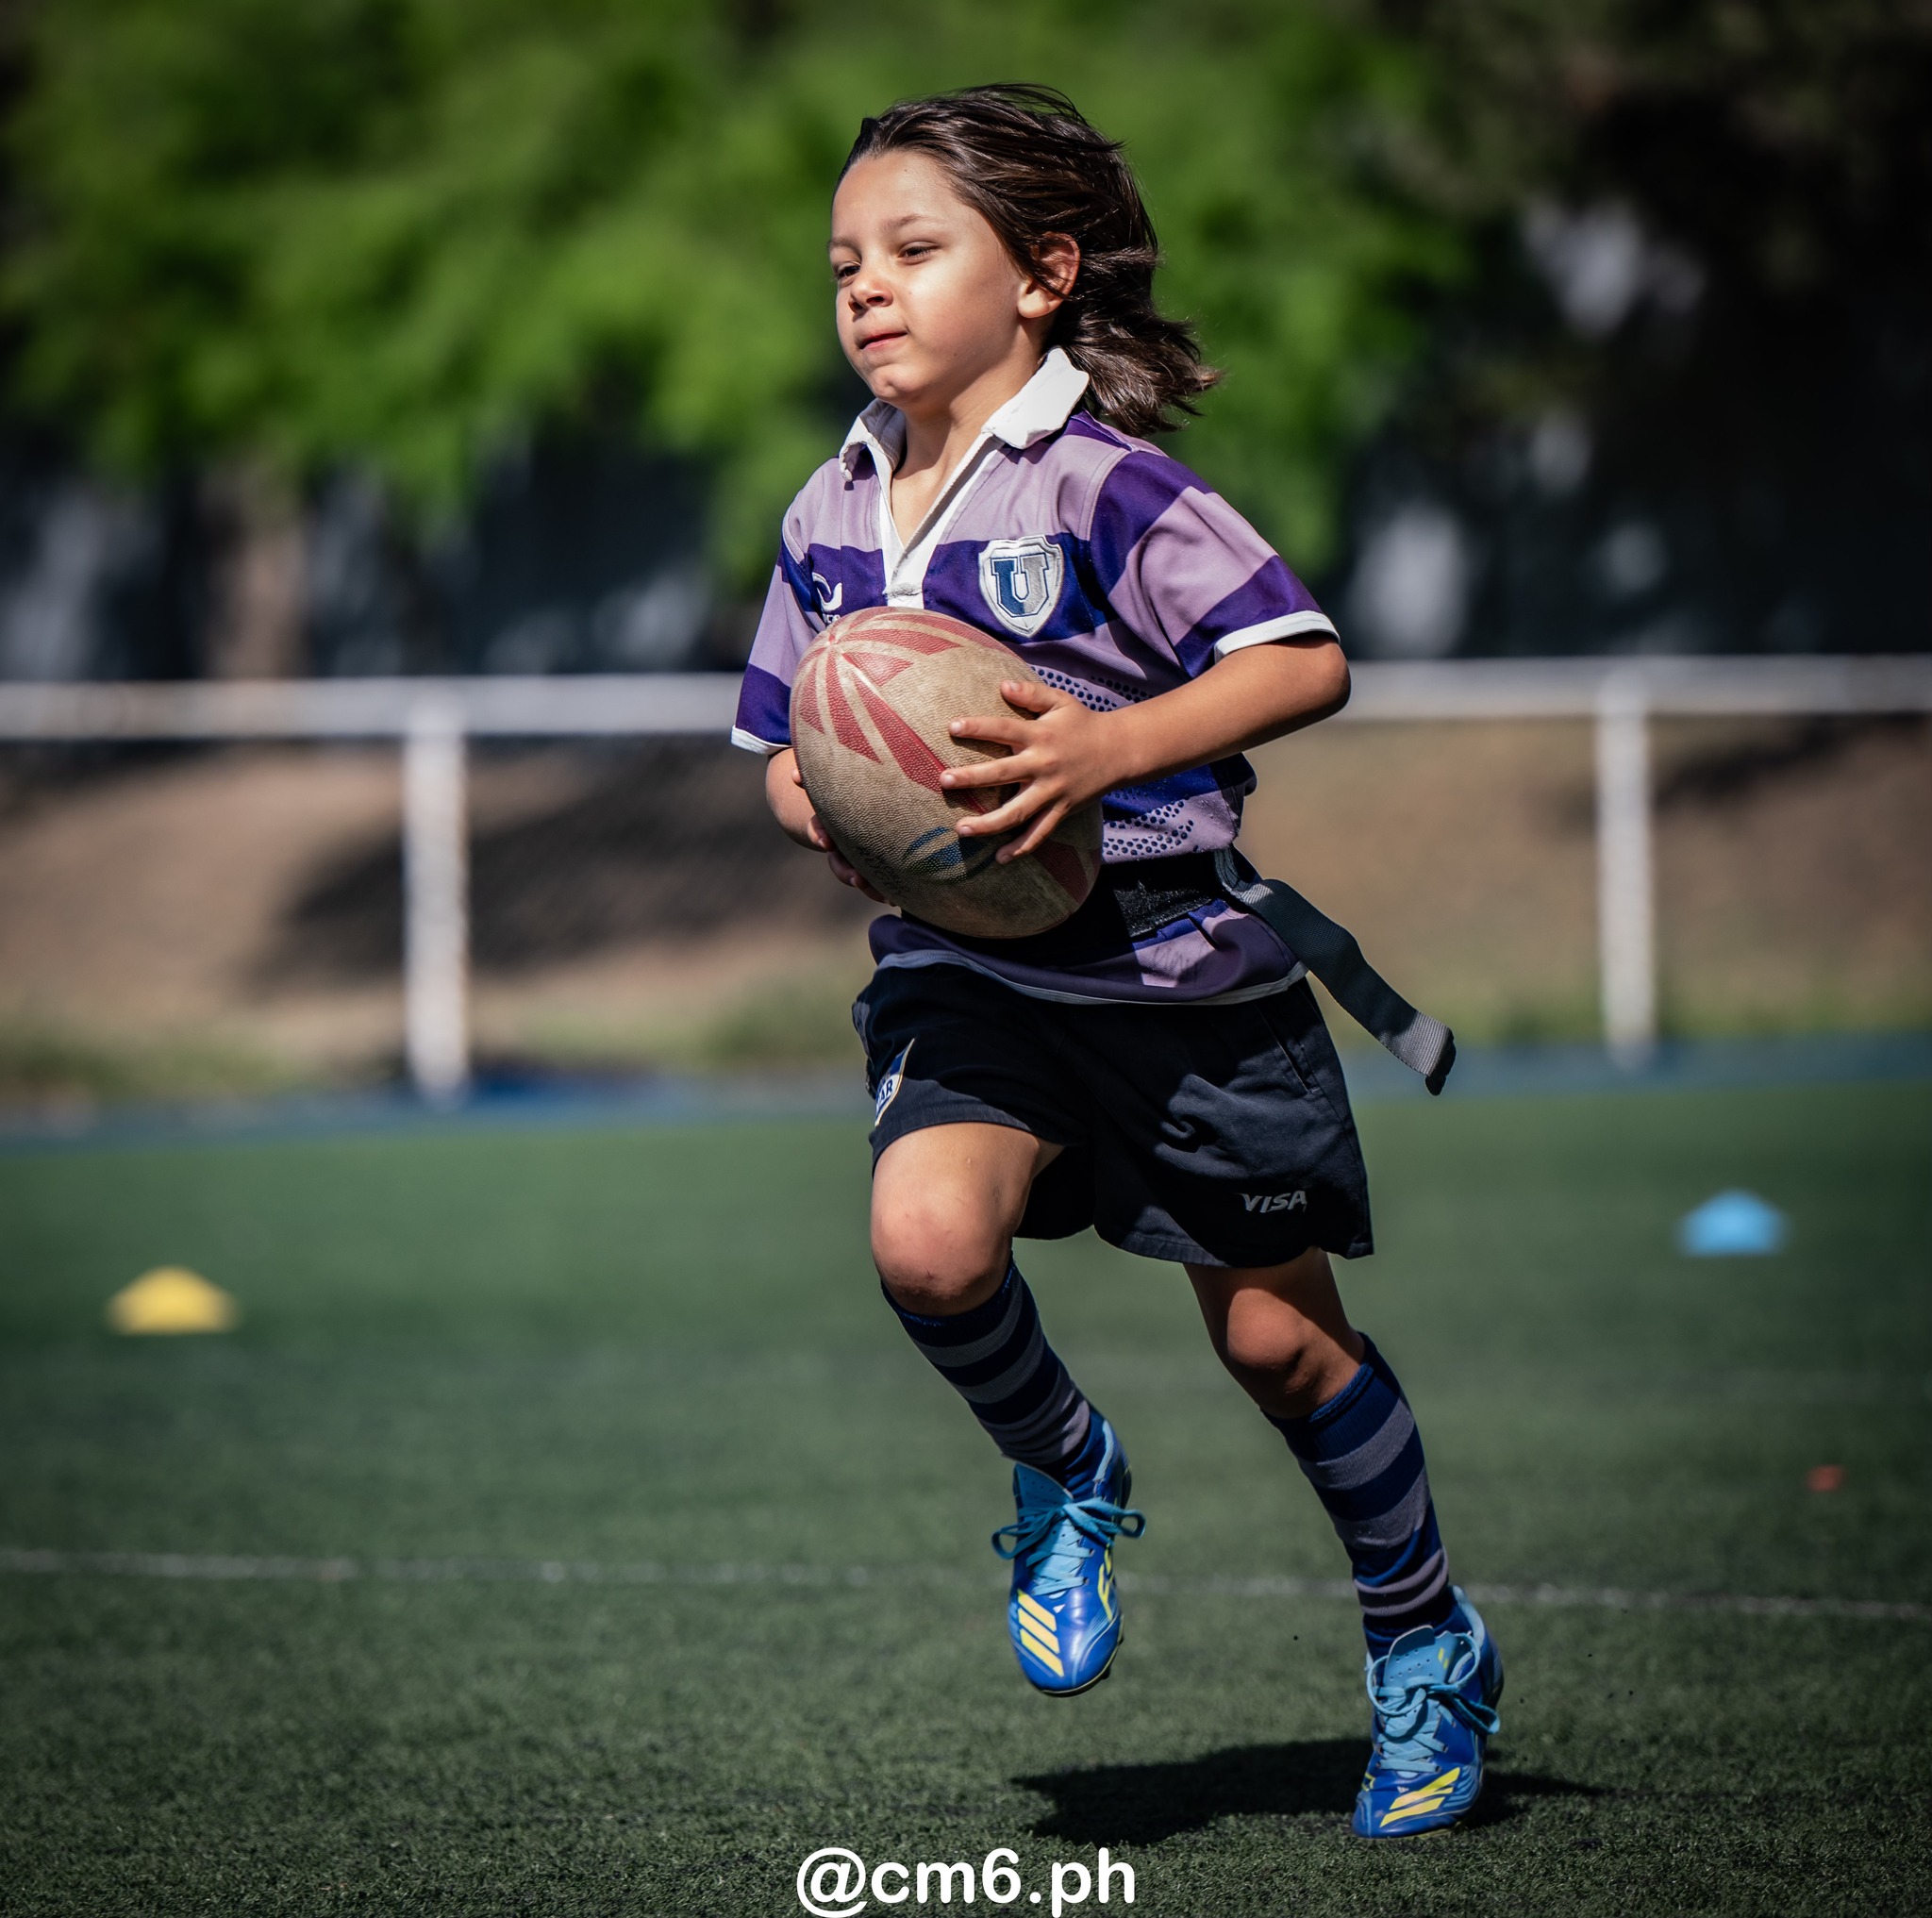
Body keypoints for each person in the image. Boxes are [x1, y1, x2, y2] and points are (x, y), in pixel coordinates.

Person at [731, 84, 1502, 1840]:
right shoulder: (829, 508)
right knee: (927, 1247)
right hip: (973, 973)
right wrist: (829, 802)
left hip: (1179, 979)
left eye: (916, 251)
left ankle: (1422, 1638)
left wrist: (1100, 749)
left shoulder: (1108, 482)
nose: (866, 287)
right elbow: (781, 744)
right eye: (846, 259)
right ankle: (1069, 1469)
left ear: (1043, 274)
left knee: (1279, 1349)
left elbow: (1299, 662)